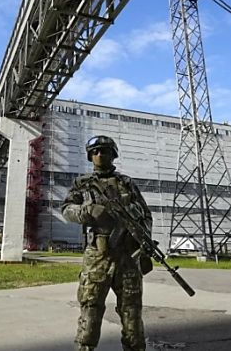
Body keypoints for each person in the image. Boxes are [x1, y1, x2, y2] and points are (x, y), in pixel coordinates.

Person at [62, 135, 153, 351]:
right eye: (95, 152)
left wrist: (144, 239)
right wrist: (86, 211)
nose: (100, 155)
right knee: (91, 308)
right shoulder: (82, 184)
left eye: (104, 151)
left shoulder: (126, 183)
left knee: (131, 312)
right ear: (90, 156)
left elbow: (146, 215)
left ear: (113, 154)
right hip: (97, 256)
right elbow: (66, 209)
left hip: (128, 257)